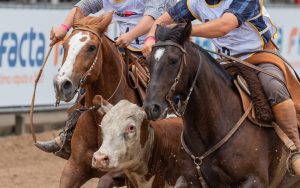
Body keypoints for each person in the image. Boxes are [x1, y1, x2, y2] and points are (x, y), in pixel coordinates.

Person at [142, 0, 300, 176]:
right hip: (225, 61)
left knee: (274, 88)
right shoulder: (195, 2)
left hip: (260, 58)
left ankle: (295, 150)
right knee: (194, 89)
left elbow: (224, 26)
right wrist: (150, 37)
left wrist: (183, 32)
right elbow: (161, 21)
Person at [37, 0, 177, 158]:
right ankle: (69, 134)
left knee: (161, 84)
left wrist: (130, 36)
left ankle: (170, 124)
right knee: (91, 75)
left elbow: (152, 18)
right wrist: (64, 28)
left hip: (158, 47)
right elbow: (82, 7)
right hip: (126, 46)